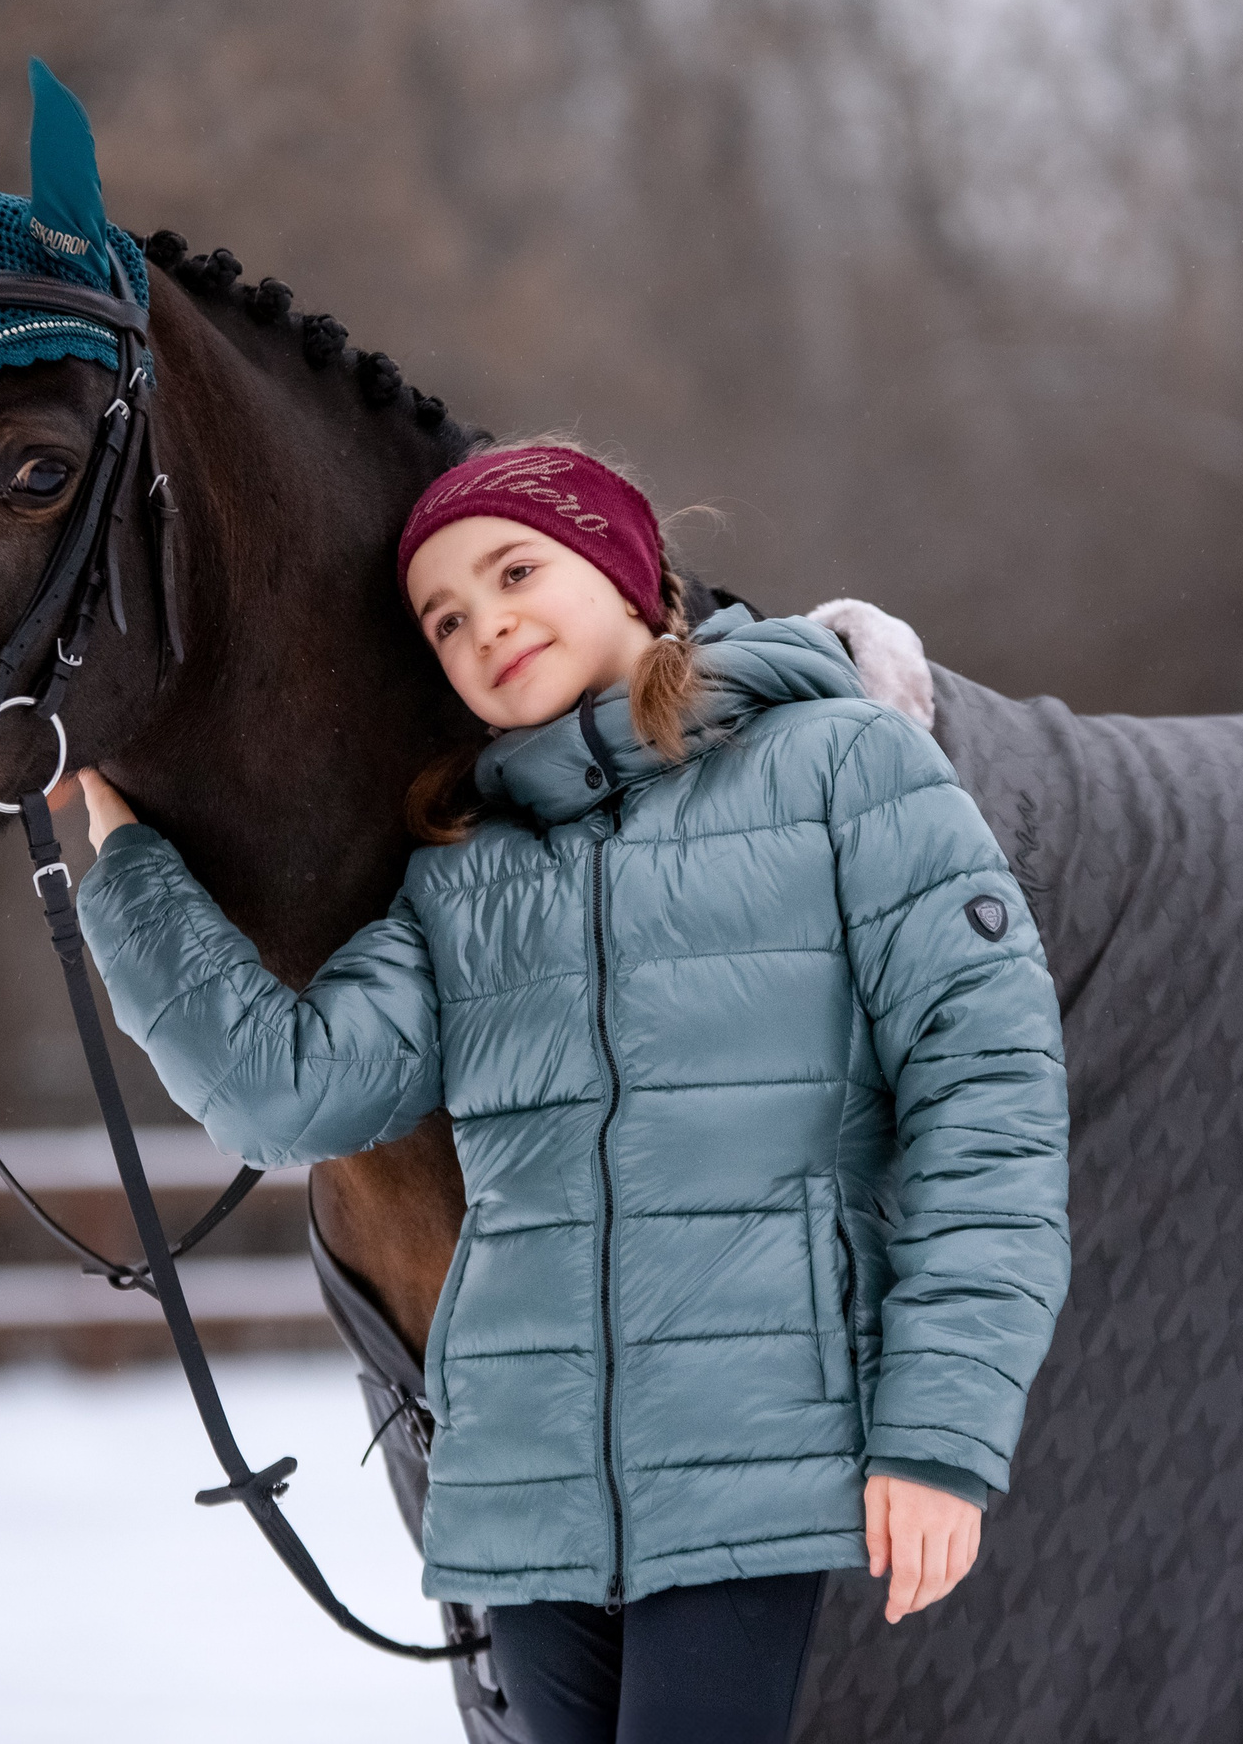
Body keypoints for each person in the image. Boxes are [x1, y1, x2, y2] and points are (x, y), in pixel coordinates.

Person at [69, 440, 1070, 1744]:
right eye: (447, 618)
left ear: (627, 570)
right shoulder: (465, 877)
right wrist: (127, 870)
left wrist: (939, 1430)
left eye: (514, 569)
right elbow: (289, 1093)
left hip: (750, 1450)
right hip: (522, 1486)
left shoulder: (841, 771)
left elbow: (985, 1094)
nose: (488, 624)